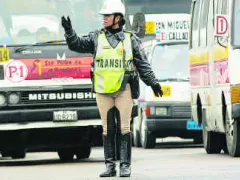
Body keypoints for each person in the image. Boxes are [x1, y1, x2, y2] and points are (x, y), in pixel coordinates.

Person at [61, 0, 163, 177]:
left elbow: (143, 64)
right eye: (104, 16)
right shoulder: (96, 37)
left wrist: (153, 83)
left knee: (124, 128)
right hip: (103, 91)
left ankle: (125, 166)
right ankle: (110, 167)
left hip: (124, 90)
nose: (104, 19)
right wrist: (69, 32)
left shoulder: (131, 39)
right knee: (107, 130)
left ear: (118, 18)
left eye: (107, 16)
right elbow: (76, 44)